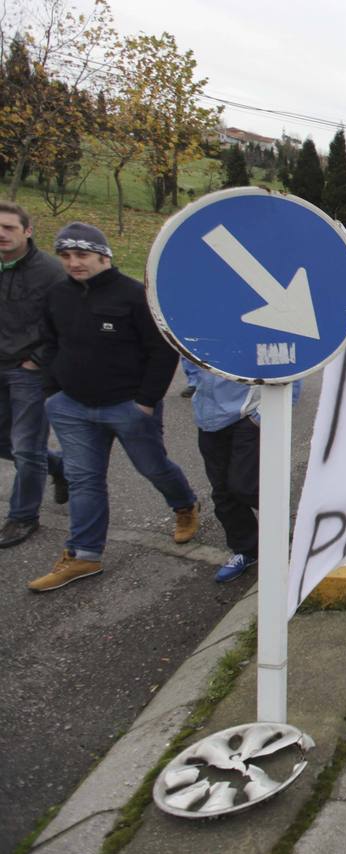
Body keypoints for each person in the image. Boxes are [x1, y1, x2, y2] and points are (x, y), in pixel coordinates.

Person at [29, 223, 198, 591]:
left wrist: (146, 402)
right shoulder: (57, 294)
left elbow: (160, 350)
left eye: (82, 255)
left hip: (128, 407)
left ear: (104, 256)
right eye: (66, 256)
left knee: (153, 467)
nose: (74, 263)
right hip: (72, 407)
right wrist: (52, 391)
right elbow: (49, 342)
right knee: (84, 480)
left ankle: (185, 505)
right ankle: (85, 555)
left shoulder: (135, 296)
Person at [0, 201, 68, 549]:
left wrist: (38, 360)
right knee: (6, 444)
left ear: (27, 231)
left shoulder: (51, 272)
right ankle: (57, 467)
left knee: (26, 448)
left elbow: (67, 322)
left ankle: (23, 516)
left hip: (28, 372)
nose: (2, 233)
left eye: (9, 227)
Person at [190, 369, 301, 582]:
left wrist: (261, 417)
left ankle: (280, 522)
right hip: (207, 418)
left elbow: (292, 366)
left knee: (245, 485)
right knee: (222, 493)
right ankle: (247, 550)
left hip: (245, 418)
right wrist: (195, 381)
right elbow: (188, 354)